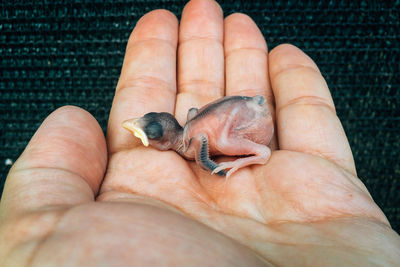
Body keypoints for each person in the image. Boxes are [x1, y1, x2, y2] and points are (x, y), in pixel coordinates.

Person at [0, 0, 399, 265]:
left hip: (249, 121)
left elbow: (205, 148)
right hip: (242, 109)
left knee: (223, 140)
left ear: (167, 137)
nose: (145, 135)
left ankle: (258, 156)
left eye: (148, 131)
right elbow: (193, 114)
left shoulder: (190, 141)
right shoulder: (186, 128)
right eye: (148, 129)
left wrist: (215, 167)